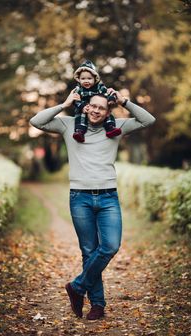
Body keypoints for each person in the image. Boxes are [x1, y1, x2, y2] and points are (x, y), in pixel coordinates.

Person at [29, 88, 156, 320]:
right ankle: (97, 305)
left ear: (108, 111)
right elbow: (36, 121)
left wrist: (124, 101)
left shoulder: (116, 127)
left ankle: (77, 287)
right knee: (88, 251)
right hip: (80, 197)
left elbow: (148, 120)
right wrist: (65, 103)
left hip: (108, 197)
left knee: (110, 246)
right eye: (93, 106)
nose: (96, 110)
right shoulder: (68, 125)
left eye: (102, 107)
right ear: (86, 107)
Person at [72, 60, 121, 143]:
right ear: (79, 79)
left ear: (95, 79)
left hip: (97, 105)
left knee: (106, 112)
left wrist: (111, 99)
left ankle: (110, 128)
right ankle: (79, 132)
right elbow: (75, 101)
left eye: (89, 78)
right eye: (83, 78)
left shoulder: (99, 86)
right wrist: (82, 106)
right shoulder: (78, 90)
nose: (86, 81)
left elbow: (107, 92)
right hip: (83, 107)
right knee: (80, 116)